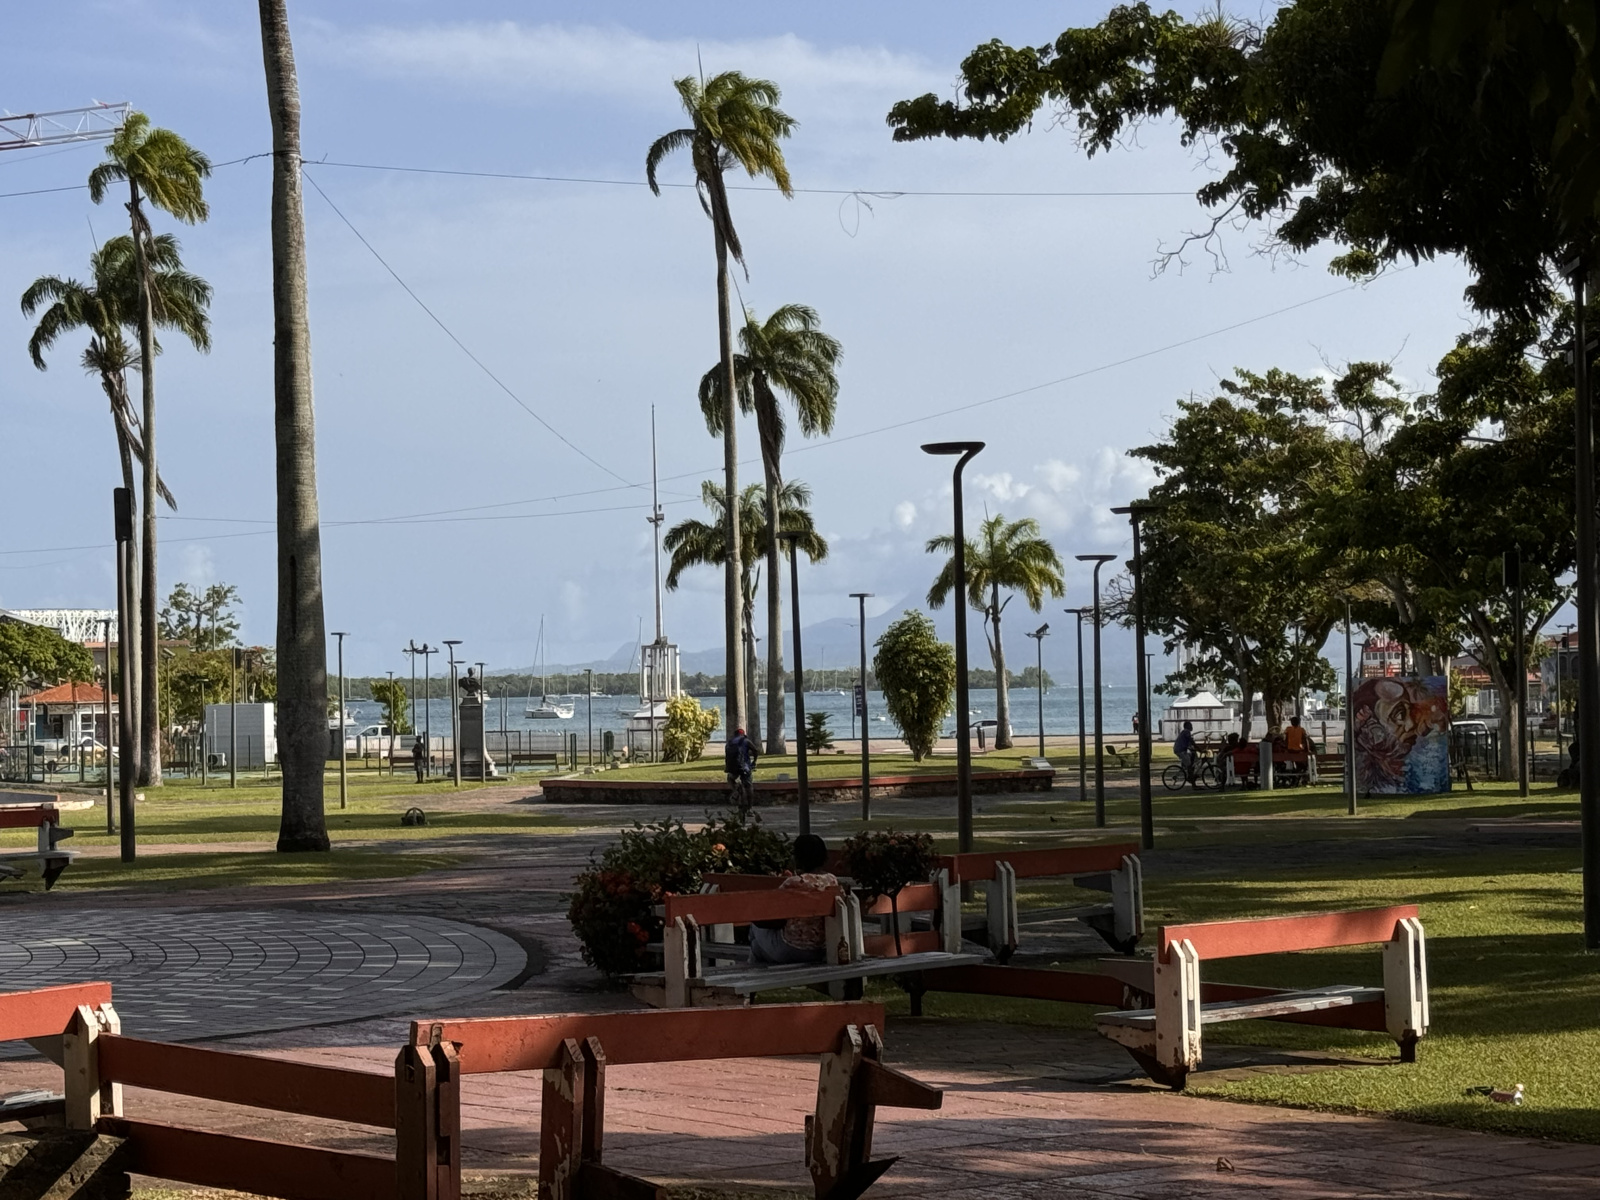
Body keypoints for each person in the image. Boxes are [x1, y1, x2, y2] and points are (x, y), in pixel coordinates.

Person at [750, 835, 836, 966]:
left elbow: (771, 914)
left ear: (798, 857)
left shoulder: (794, 883)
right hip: (820, 950)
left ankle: (749, 971)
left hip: (791, 949)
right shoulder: (832, 880)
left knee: (754, 928)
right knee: (756, 947)